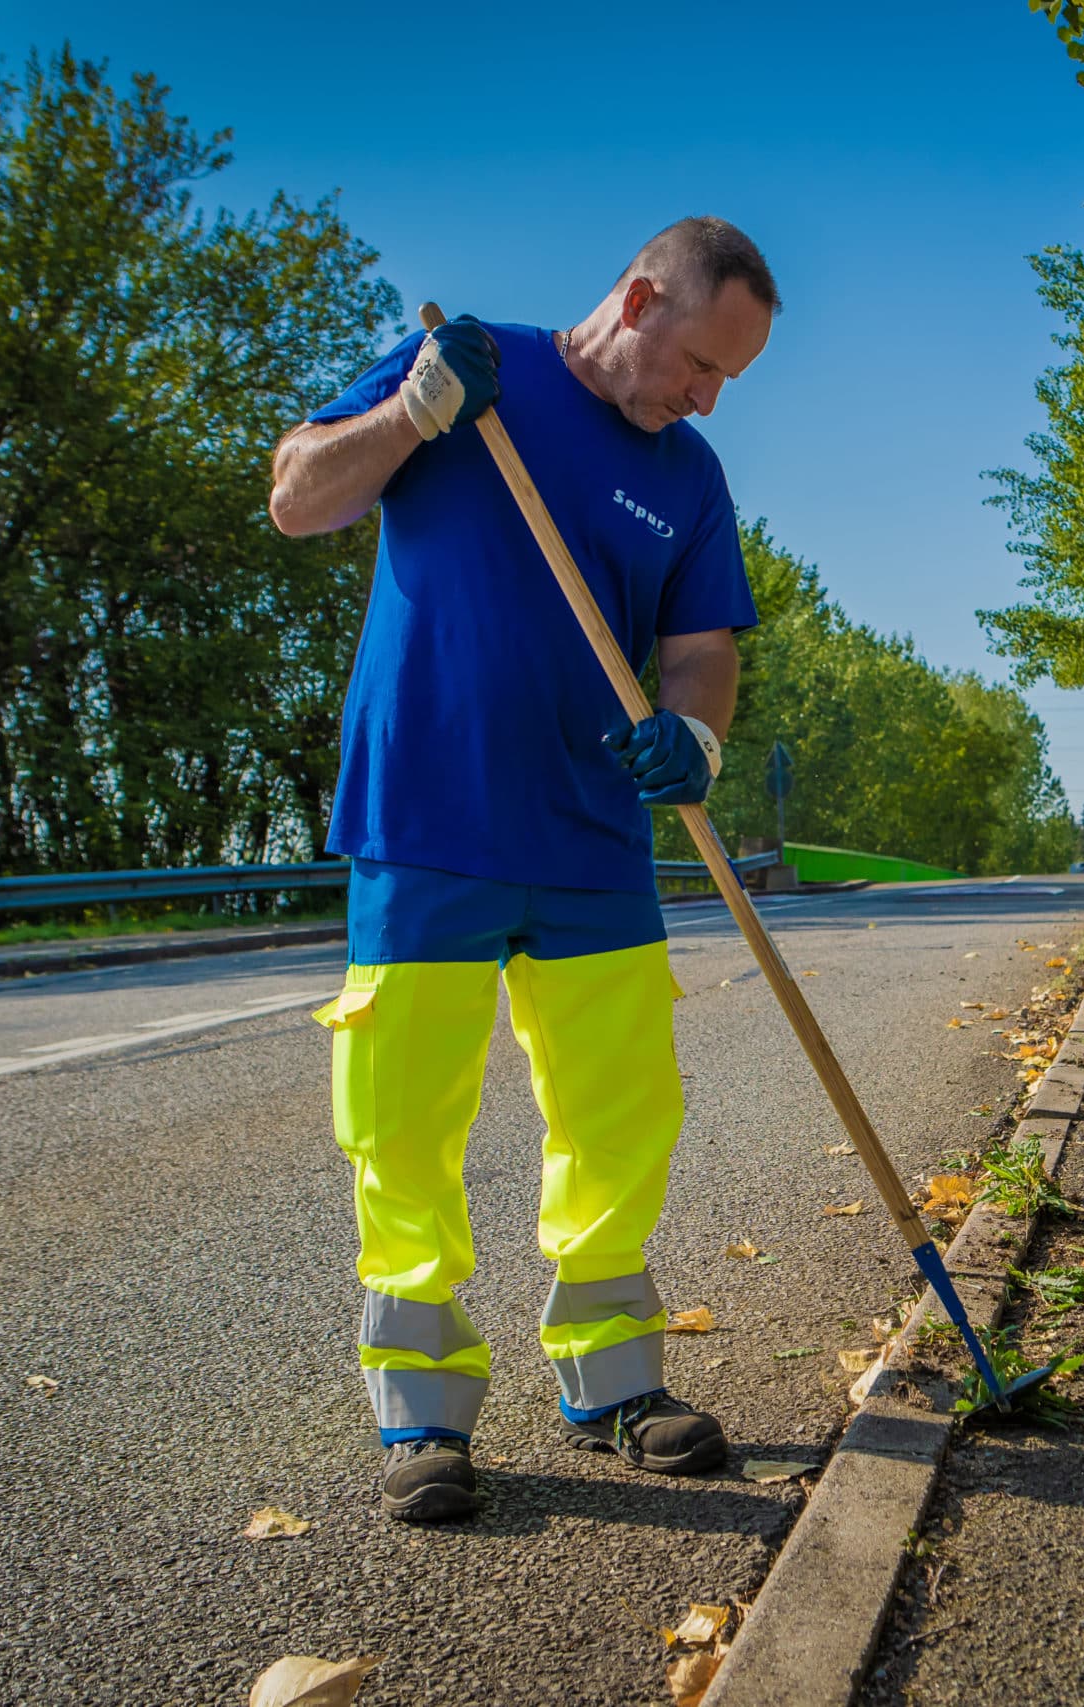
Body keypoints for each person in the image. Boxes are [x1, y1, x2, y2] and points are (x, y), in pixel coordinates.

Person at [267, 216, 778, 1523]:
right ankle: (422, 1413)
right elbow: (297, 495)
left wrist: (700, 738)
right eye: (702, 364)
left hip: (592, 834)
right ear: (641, 296)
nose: (706, 396)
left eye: (729, 382)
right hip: (425, 814)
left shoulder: (691, 475)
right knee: (402, 1124)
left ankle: (613, 1386)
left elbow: (701, 644)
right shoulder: (467, 365)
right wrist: (412, 417)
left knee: (622, 1114)